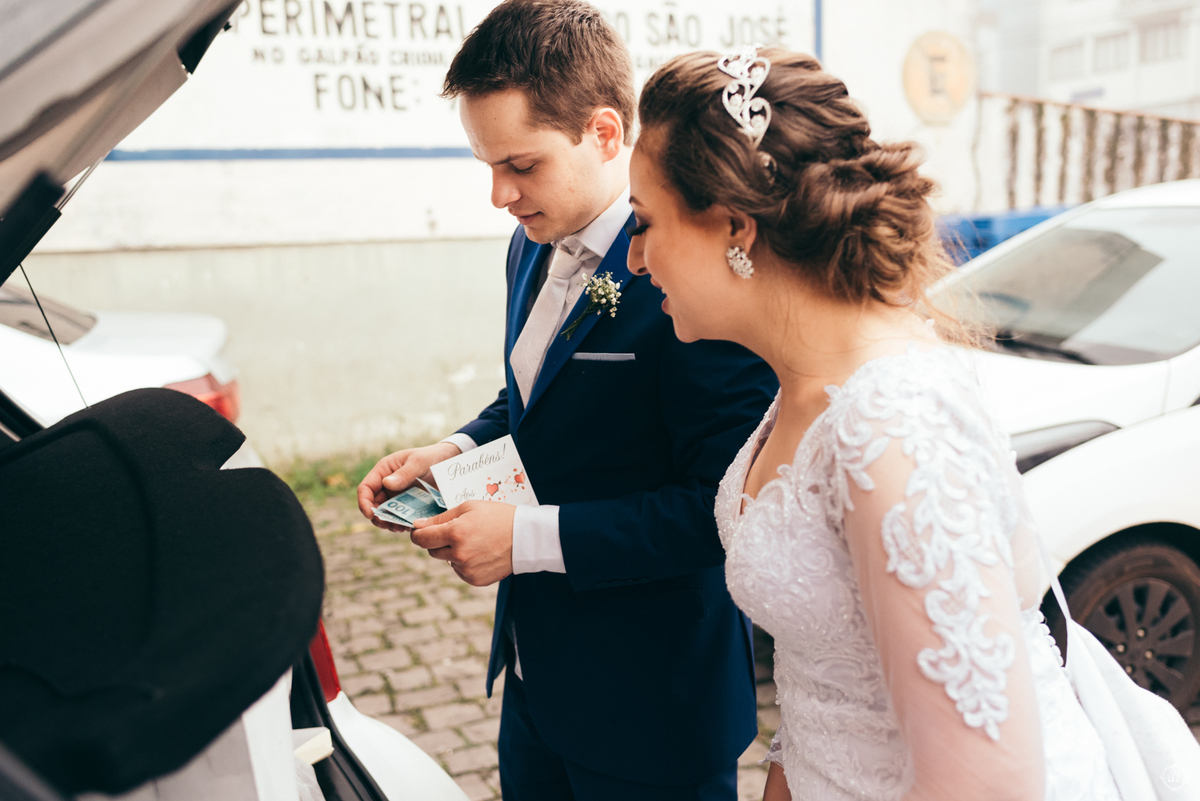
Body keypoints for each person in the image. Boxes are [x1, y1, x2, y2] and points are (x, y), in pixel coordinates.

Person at [626, 47, 1122, 800]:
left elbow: (987, 786)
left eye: (644, 222)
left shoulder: (894, 426)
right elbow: (826, 674)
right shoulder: (800, 383)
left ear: (733, 225)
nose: (632, 259)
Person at [356, 3, 777, 798]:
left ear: (606, 133)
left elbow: (718, 508)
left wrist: (524, 540)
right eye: (485, 165)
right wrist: (451, 449)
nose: (498, 194)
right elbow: (538, 397)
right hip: (535, 677)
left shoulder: (693, 277)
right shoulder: (529, 241)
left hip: (651, 706)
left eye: (520, 164)